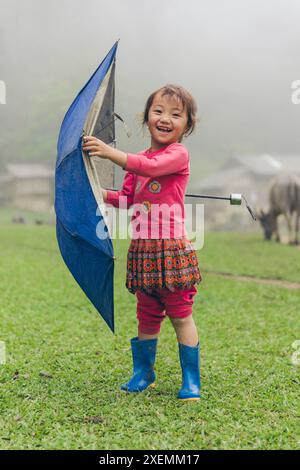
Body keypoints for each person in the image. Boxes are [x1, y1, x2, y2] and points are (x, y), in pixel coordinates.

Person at [82, 84, 202, 401]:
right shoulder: (138, 160)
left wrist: (111, 153)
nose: (165, 119)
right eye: (158, 111)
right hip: (143, 250)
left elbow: (151, 167)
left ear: (187, 125)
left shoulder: (178, 154)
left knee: (180, 314)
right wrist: (96, 192)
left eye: (176, 115)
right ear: (147, 116)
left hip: (171, 249)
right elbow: (126, 198)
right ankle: (143, 373)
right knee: (147, 314)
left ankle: (191, 380)